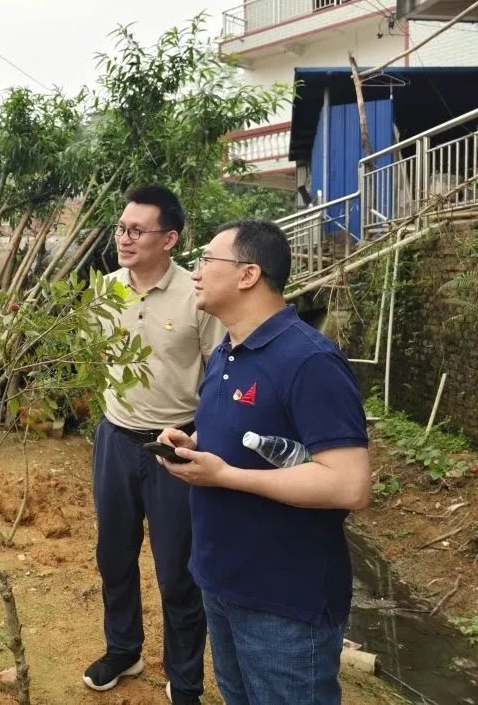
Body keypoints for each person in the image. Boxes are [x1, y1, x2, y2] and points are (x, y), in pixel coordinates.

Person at [158, 220, 371, 704]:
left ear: (248, 274)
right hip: (221, 582)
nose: (196, 272)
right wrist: (190, 440)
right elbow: (237, 433)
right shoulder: (230, 350)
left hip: (284, 601)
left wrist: (226, 476)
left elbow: (349, 485)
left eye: (207, 260)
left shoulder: (309, 360)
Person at [85, 185, 223, 704]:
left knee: (178, 571)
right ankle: (123, 648)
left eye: (136, 230)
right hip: (115, 440)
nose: (124, 238)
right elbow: (98, 359)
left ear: (169, 239)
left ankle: (184, 677)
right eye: (121, 228)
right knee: (113, 557)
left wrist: (201, 439)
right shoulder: (105, 291)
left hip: (174, 445)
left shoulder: (197, 293)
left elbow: (217, 373)